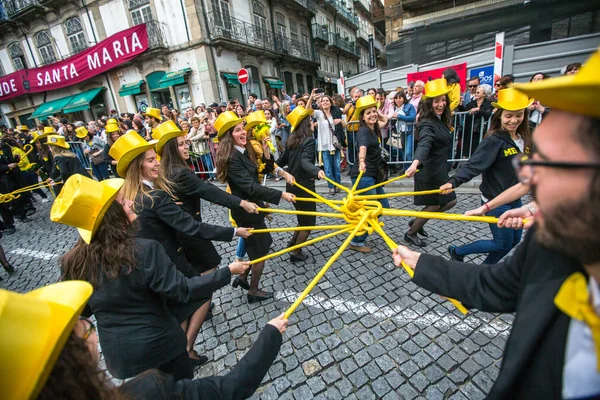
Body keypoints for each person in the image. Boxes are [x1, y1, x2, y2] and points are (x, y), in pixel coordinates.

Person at [392, 48, 600, 399]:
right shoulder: (553, 242)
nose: (529, 178)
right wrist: (423, 264)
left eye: (550, 164)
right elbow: (496, 286)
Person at [51, 174, 250, 380]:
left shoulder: (75, 262)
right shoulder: (144, 250)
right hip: (161, 348)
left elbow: (77, 311)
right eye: (122, 201)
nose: (130, 202)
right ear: (112, 216)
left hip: (120, 358)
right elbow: (183, 289)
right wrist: (228, 271)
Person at [1, 280, 289, 400]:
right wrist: (270, 333)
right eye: (83, 328)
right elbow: (231, 387)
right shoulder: (146, 391)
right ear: (71, 357)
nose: (87, 322)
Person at [110, 130, 252, 364]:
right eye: (151, 160)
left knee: (180, 307)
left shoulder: (131, 194)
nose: (158, 162)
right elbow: (192, 227)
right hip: (170, 260)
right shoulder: (154, 196)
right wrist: (234, 231)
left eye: (156, 157)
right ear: (138, 167)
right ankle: (185, 350)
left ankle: (178, 350)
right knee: (201, 293)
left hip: (153, 261)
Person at [153, 120, 259, 276]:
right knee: (208, 270)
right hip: (190, 232)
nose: (186, 146)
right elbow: (208, 190)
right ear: (172, 150)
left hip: (180, 233)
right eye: (181, 144)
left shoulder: (165, 170)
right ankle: (202, 299)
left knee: (198, 271)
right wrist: (241, 203)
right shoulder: (180, 172)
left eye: (185, 143)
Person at [440, 88, 532, 264]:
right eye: (509, 116)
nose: (514, 120)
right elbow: (474, 165)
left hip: (515, 199)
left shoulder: (527, 136)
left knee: (513, 241)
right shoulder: (494, 140)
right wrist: (454, 181)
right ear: (500, 115)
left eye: (519, 115)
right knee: (502, 242)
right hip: (495, 200)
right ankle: (459, 252)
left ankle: (484, 269)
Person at [214, 111, 296, 302]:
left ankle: (243, 277)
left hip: (252, 207)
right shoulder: (232, 158)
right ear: (229, 137)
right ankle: (253, 290)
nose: (243, 133)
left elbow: (265, 169)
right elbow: (250, 187)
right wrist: (281, 194)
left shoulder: (243, 151)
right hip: (245, 210)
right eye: (237, 130)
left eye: (243, 129)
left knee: (258, 246)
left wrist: (267, 152)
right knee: (260, 250)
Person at [405, 78, 457, 247]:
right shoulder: (428, 122)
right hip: (429, 171)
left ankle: (419, 220)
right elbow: (424, 143)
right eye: (436, 101)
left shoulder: (441, 119)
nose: (441, 104)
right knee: (435, 204)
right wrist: (415, 163)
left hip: (440, 170)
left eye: (443, 100)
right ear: (429, 103)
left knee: (450, 201)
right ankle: (411, 233)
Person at [276, 106, 326, 262]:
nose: (312, 122)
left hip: (291, 186)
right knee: (308, 222)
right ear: (306, 123)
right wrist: (316, 171)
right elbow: (305, 162)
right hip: (304, 187)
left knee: (301, 218)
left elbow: (280, 162)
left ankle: (292, 243)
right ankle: (296, 252)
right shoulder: (309, 140)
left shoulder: (291, 140)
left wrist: (267, 166)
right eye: (310, 120)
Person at [348, 95, 389, 254]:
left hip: (373, 176)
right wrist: (362, 161)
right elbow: (362, 147)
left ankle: (359, 232)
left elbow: (385, 120)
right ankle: (356, 241)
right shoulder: (364, 131)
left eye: (373, 111)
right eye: (368, 113)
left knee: (383, 206)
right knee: (372, 210)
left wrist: (376, 113)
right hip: (363, 176)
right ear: (362, 117)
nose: (372, 115)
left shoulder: (374, 127)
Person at [308, 90, 342, 195]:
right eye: (323, 101)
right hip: (324, 144)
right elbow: (307, 110)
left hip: (335, 144)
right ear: (320, 104)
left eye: (327, 101)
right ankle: (331, 186)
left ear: (331, 102)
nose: (325, 102)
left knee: (336, 166)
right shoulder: (319, 114)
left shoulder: (335, 113)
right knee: (327, 167)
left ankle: (338, 185)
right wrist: (310, 98)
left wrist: (341, 121)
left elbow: (344, 124)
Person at [459, 84, 494, 157]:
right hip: (470, 131)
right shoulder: (472, 103)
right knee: (470, 152)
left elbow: (488, 113)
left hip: (483, 131)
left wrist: (478, 109)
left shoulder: (488, 103)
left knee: (481, 151)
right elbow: (465, 112)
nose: (475, 94)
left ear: (484, 94)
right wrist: (461, 105)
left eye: (478, 92)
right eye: (476, 92)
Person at [391, 89, 417, 164]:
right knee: (402, 152)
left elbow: (412, 118)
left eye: (400, 98)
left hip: (409, 132)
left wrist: (399, 116)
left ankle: (412, 168)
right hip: (398, 133)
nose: (398, 100)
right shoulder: (394, 108)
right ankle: (406, 169)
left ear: (404, 98)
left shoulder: (409, 106)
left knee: (408, 152)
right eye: (396, 98)